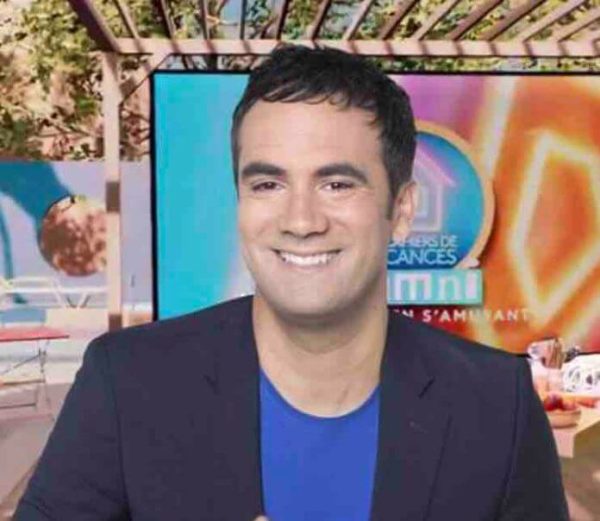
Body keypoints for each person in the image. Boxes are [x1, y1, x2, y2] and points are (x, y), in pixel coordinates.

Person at [15, 45, 568, 521]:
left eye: (336, 183)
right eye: (268, 184)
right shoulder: (127, 384)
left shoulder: (497, 406)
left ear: (401, 211)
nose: (301, 221)